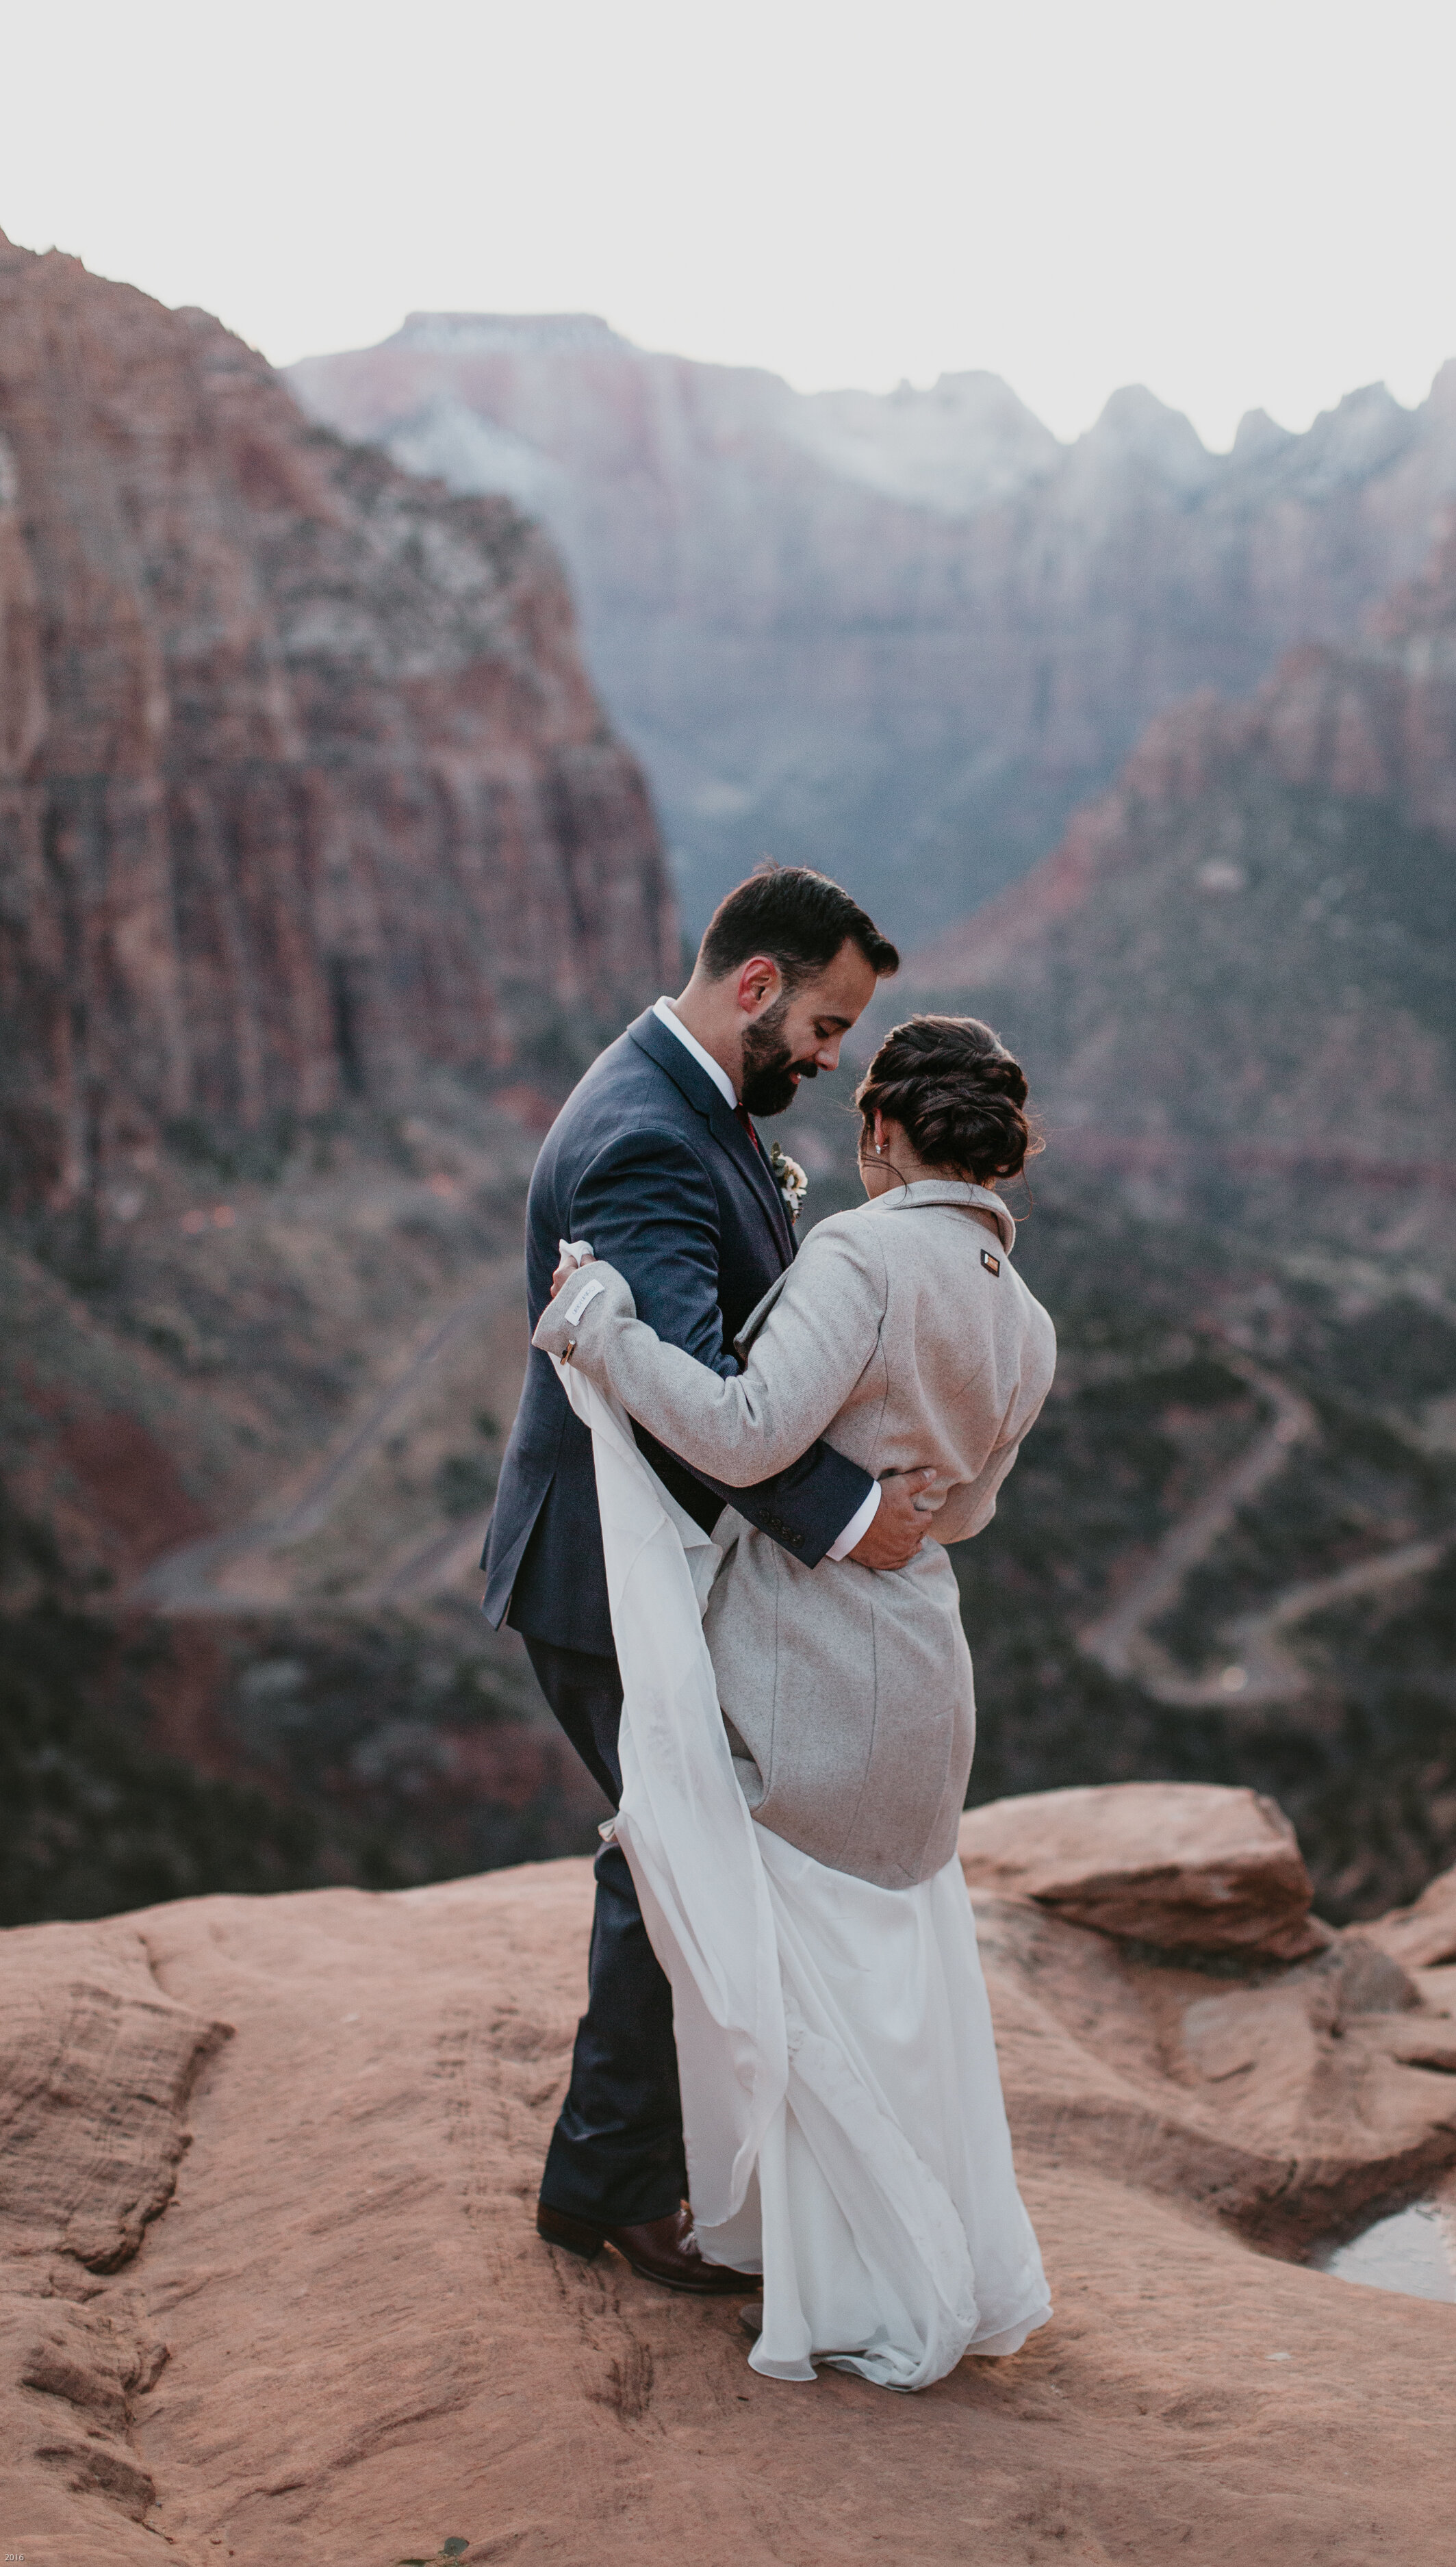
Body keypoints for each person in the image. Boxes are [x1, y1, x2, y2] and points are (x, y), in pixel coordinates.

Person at [536, 1013, 1056, 2388]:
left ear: (881, 1133)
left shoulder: (861, 1253)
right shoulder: (1026, 1318)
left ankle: (765, 2225)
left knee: (737, 1919)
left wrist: (604, 1338)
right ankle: (829, 2223)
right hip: (920, 1663)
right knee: (877, 1958)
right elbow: (964, 1510)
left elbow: (748, 1432)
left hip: (801, 1657)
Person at [481, 865, 932, 2294]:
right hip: (599, 1566)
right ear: (756, 986)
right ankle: (611, 2186)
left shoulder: (686, 1099)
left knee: (676, 1849)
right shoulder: (645, 1139)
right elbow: (692, 1397)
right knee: (671, 1858)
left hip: (650, 1553)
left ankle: (617, 2170)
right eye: (823, 1024)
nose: (831, 1057)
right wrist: (847, 1516)